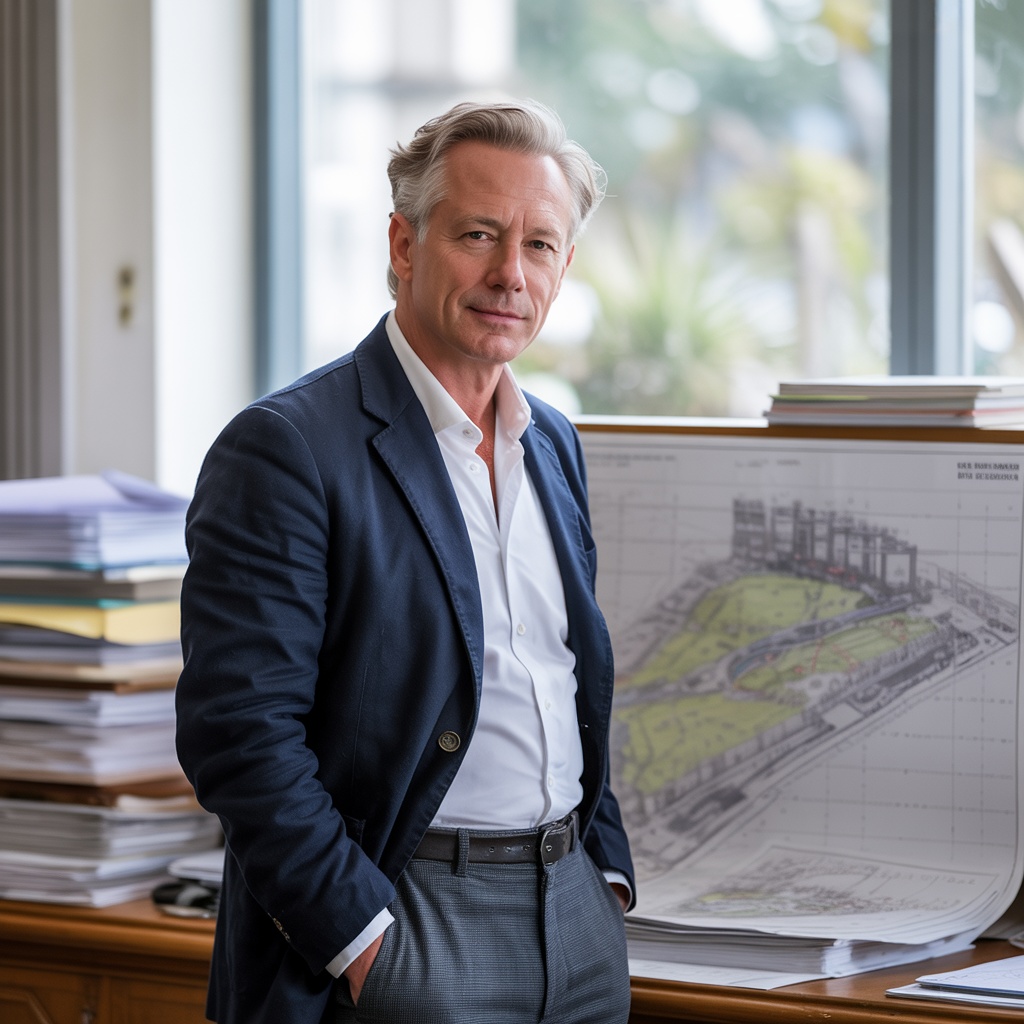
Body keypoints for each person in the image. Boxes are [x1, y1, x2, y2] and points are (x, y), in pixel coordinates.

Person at [175, 98, 635, 1024]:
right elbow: (239, 732)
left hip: (574, 920)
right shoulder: (288, 447)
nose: (510, 273)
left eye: (540, 246)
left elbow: (563, 676)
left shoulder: (553, 443)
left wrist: (606, 875)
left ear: (565, 267)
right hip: (404, 918)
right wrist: (364, 943)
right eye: (478, 234)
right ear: (403, 243)